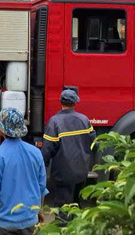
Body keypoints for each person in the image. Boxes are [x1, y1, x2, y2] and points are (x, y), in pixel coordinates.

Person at [0, 108, 47, 235]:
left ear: (1, 130)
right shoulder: (36, 153)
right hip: (30, 222)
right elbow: (41, 187)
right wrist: (39, 211)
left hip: (4, 225)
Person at [41, 88, 96, 223]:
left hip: (63, 174)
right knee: (76, 204)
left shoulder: (55, 122)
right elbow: (93, 142)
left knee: (63, 208)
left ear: (60, 102)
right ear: (75, 103)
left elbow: (47, 149)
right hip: (81, 172)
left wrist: (41, 167)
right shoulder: (84, 120)